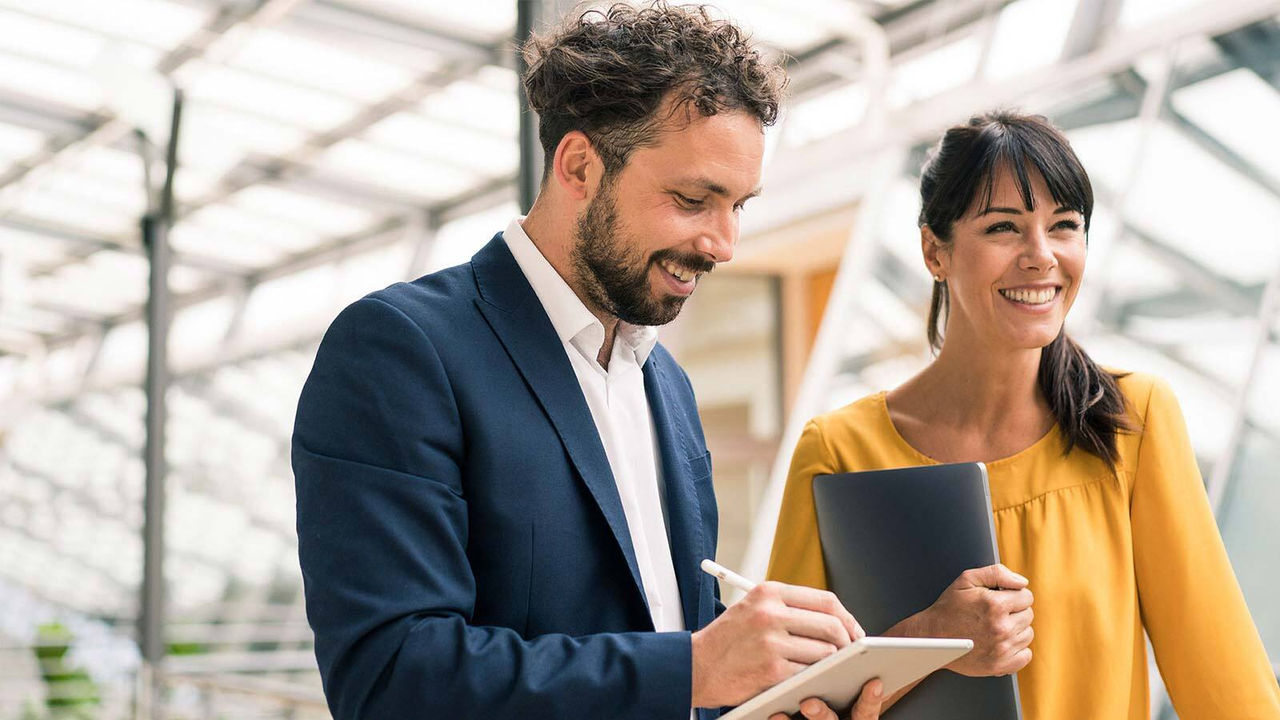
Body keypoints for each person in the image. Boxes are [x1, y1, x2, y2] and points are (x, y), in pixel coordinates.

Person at [293, 4, 882, 719]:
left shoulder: (668, 386)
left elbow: (668, 641)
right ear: (579, 165)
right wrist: (695, 667)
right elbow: (391, 677)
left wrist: (770, 695)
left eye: (738, 207)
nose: (723, 244)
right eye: (694, 199)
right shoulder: (402, 352)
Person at [767, 111, 1280, 719]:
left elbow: (1224, 684)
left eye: (1065, 226)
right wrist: (933, 637)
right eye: (1005, 228)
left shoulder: (1131, 423)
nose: (1041, 257)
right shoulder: (840, 451)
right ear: (935, 249)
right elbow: (786, 699)